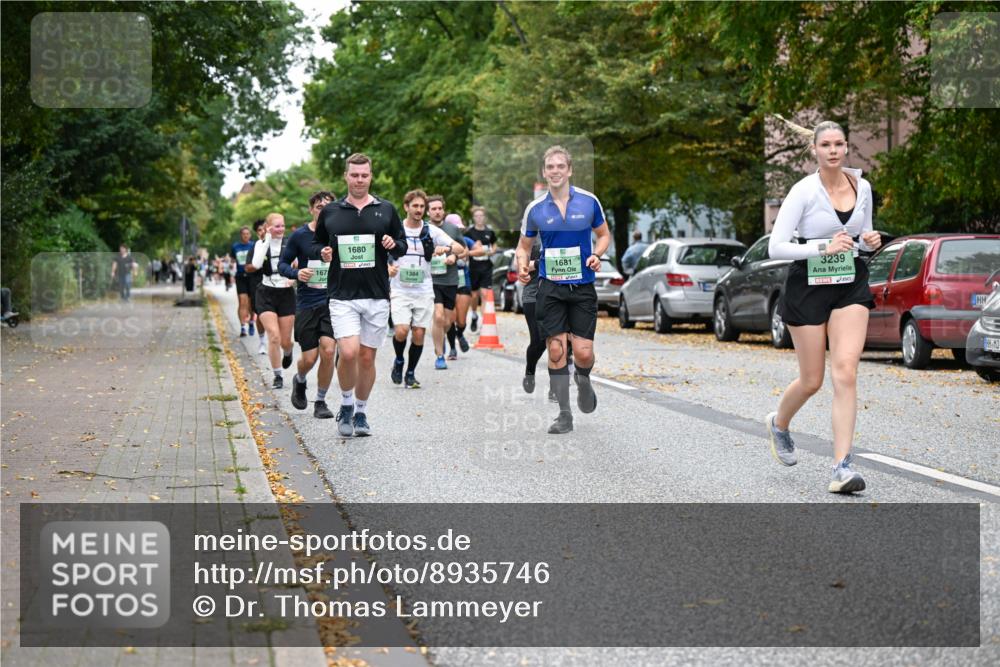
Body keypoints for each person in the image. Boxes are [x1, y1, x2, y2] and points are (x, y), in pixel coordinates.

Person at [766, 118, 882, 494]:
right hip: (808, 286)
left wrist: (869, 240)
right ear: (814, 150)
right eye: (825, 145)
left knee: (846, 371)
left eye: (839, 144)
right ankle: (780, 424)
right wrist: (822, 247)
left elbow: (861, 241)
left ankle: (842, 468)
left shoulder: (861, 186)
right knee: (812, 379)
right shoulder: (803, 191)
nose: (833, 150)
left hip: (850, 283)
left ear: (847, 147)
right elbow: (776, 246)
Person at [517, 145, 610, 434]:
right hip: (550, 288)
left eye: (560, 166)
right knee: (556, 350)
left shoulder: (589, 202)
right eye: (550, 167)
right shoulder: (535, 209)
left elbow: (604, 234)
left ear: (569, 170)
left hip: (581, 287)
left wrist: (598, 254)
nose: (555, 171)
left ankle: (583, 379)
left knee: (582, 353)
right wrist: (522, 265)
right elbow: (524, 246)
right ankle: (565, 414)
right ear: (544, 173)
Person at [314, 153, 407, 437]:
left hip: (376, 294)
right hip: (342, 294)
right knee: (349, 351)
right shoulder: (331, 212)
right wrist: (323, 252)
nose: (359, 180)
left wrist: (394, 243)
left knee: (367, 357)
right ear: (346, 176)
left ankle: (362, 412)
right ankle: (345, 404)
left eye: (364, 175)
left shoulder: (386, 210)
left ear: (371, 176)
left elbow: (402, 245)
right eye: (354, 175)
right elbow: (318, 244)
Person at [388, 190, 465, 388]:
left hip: (423, 289)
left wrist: (446, 249)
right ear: (406, 207)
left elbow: (459, 248)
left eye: (422, 207)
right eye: (415, 206)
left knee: (419, 333)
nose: (419, 210)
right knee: (402, 331)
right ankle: (398, 360)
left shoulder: (431, 230)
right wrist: (388, 267)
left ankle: (411, 373)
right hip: (400, 290)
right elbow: (381, 252)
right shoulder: (396, 229)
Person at [279, 191, 337, 418]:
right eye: (319, 207)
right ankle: (300, 379)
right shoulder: (299, 236)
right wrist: (296, 272)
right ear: (311, 210)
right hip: (306, 302)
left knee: (329, 350)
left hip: (332, 302)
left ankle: (320, 401)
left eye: (328, 207)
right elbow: (282, 264)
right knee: (309, 358)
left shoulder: (338, 234)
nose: (323, 211)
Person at [251, 213, 297, 389]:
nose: (280, 229)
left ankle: (288, 351)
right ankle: (278, 375)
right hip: (266, 293)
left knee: (285, 341)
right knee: (274, 336)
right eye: (276, 226)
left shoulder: (291, 243)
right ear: (268, 227)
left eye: (282, 226)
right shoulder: (261, 244)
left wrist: (293, 278)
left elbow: (298, 264)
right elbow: (255, 264)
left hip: (286, 293)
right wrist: (267, 239)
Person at [426, 195, 467, 370]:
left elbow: (463, 250)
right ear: (428, 212)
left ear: (444, 210)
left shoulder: (452, 229)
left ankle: (442, 340)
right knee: (439, 315)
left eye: (439, 208)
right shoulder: (424, 229)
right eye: (433, 209)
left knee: (449, 321)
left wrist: (453, 255)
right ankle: (439, 355)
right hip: (431, 280)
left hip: (450, 280)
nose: (437, 211)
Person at [465, 206, 498, 335]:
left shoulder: (489, 232)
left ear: (484, 217)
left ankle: (485, 323)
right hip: (473, 267)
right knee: (474, 295)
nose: (479, 218)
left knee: (485, 294)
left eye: (481, 216)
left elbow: (494, 244)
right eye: (477, 216)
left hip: (486, 266)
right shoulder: (469, 232)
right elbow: (464, 246)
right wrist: (474, 252)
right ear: (474, 218)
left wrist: (493, 251)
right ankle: (474, 315)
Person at [246, 219, 267, 353]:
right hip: (258, 285)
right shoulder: (255, 247)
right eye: (259, 230)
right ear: (256, 233)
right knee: (260, 314)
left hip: (277, 285)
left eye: (265, 228)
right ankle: (262, 342)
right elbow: (247, 267)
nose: (263, 232)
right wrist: (257, 264)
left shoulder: (278, 245)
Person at [231, 226, 257, 337]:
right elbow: (232, 261)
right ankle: (242, 327)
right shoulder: (235, 247)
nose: (246, 235)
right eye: (244, 234)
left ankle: (251, 322)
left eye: (248, 234)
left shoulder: (254, 245)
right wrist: (231, 274)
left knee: (251, 303)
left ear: (250, 235)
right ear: (241, 235)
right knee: (242, 301)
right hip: (240, 276)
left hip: (252, 277)